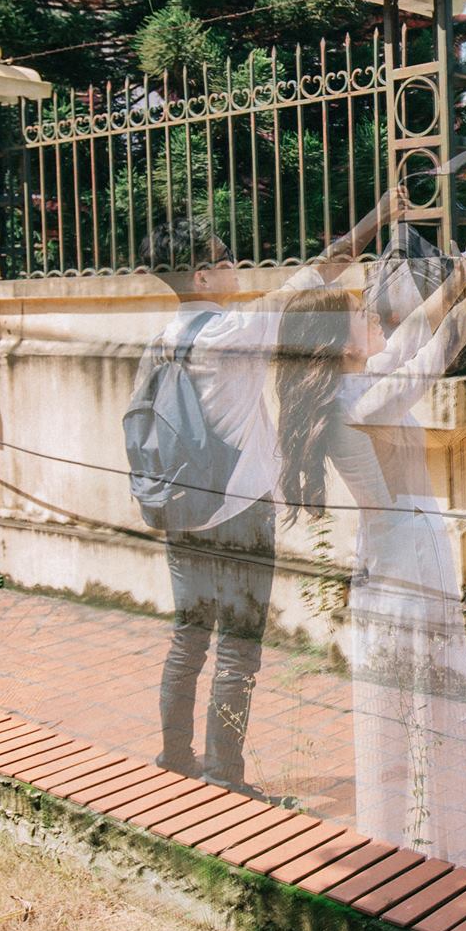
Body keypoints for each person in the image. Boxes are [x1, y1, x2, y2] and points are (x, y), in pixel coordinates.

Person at [275, 229, 466, 869]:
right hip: (408, 565)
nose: (373, 316)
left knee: (414, 706)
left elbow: (422, 328)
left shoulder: (353, 389)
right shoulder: (362, 402)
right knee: (432, 706)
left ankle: (430, 840)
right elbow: (440, 343)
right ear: (339, 343)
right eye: (359, 314)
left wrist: (461, 278)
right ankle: (436, 849)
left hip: (395, 560)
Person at [135, 192, 401, 793]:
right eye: (222, 258)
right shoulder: (234, 331)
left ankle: (175, 756)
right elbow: (321, 270)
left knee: (187, 638)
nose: (234, 264)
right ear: (202, 276)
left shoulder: (160, 341)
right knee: (237, 651)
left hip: (179, 509)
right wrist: (379, 217)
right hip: (239, 513)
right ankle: (224, 776)